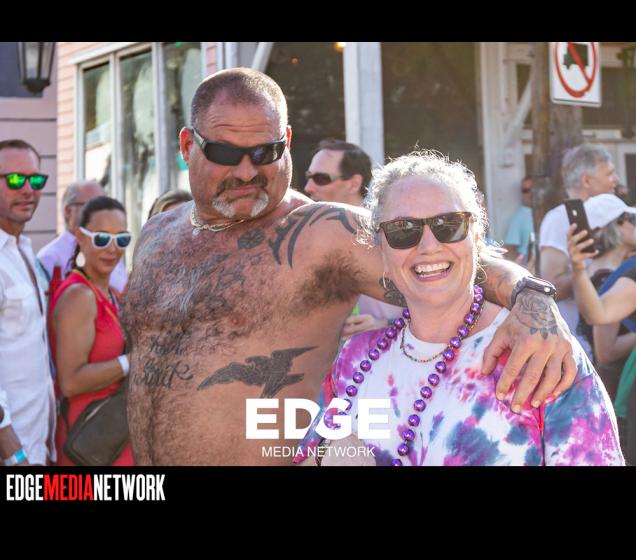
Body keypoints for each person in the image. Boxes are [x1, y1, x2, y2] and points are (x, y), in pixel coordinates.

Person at [122, 68, 576, 466]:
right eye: (225, 153)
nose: (245, 172)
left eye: (265, 153)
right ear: (187, 145)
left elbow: (448, 258)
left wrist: (531, 297)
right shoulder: (157, 235)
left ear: (287, 143)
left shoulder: (321, 233)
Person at [296, 152, 623, 466]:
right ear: (380, 250)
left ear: (476, 236)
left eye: (449, 224)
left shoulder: (538, 351)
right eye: (403, 230)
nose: (428, 246)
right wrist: (327, 454)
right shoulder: (355, 359)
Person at [50, 196, 134, 465]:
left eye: (121, 239)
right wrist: (131, 362)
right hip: (86, 444)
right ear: (80, 237)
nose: (112, 248)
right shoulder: (79, 296)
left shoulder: (112, 295)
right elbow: (70, 381)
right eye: (102, 238)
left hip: (111, 438)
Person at [305, 139, 402, 337]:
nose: (308, 187)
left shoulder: (389, 232)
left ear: (353, 184)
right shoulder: (308, 237)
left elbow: (433, 300)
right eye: (309, 177)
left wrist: (384, 324)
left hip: (388, 349)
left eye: (321, 178)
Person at [0, 139, 56, 466]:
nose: (27, 190)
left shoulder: (24, 250)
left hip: (37, 444)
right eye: (14, 180)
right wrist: (12, 451)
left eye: (35, 180)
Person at [539, 144, 620, 357]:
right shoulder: (559, 219)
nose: (616, 179)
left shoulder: (615, 216)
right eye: (610, 173)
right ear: (586, 181)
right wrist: (593, 270)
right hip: (577, 349)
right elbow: (551, 287)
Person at [565, 194, 636, 400]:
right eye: (631, 219)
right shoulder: (608, 276)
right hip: (617, 384)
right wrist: (578, 270)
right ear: (614, 226)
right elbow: (605, 351)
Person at [37, 179, 128, 294]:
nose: (104, 213)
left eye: (106, 204)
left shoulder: (112, 245)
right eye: (94, 205)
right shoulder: (49, 257)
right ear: (68, 211)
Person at [503, 176, 535, 265]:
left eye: (532, 189)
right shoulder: (519, 217)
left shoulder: (546, 213)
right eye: (525, 191)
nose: (530, 193)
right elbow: (510, 249)